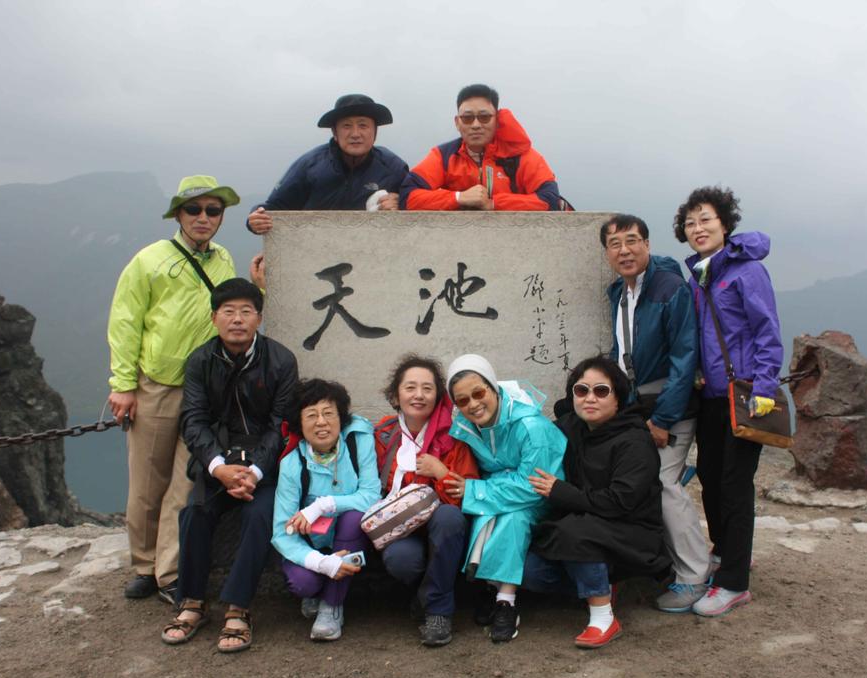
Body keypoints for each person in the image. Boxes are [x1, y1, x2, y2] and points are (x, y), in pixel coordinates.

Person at [108, 175, 261, 604]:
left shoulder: (222, 259)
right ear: (178, 214)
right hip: (158, 385)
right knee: (146, 482)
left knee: (184, 484)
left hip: (208, 390)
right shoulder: (150, 260)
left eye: (213, 211)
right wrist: (123, 385)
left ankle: (168, 571)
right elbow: (125, 322)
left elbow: (230, 309)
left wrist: (256, 284)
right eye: (194, 210)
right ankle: (142, 565)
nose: (203, 218)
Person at [159, 278, 298, 652]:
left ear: (260, 318)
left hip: (264, 465)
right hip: (216, 462)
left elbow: (280, 426)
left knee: (260, 516)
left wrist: (253, 472)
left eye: (246, 312)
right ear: (214, 317)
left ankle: (238, 609)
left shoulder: (281, 360)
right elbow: (193, 421)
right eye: (228, 312)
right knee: (196, 511)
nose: (237, 320)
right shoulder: (201, 361)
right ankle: (191, 603)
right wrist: (218, 467)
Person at [673, 186, 783, 617]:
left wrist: (764, 389)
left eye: (706, 219)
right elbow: (703, 334)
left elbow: (766, 331)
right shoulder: (701, 274)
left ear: (725, 223)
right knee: (714, 480)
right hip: (712, 396)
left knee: (735, 486)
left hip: (746, 395)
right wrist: (700, 369)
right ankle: (728, 551)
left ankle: (735, 582)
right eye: (690, 222)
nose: (698, 228)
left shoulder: (746, 271)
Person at [601, 214, 711, 612]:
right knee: (644, 483)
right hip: (636, 405)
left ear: (647, 244)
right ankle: (677, 560)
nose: (624, 250)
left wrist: (663, 419)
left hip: (668, 405)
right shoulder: (620, 292)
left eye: (632, 241)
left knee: (664, 484)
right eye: (615, 244)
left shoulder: (669, 289)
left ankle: (694, 574)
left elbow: (685, 358)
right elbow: (620, 353)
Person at [526, 356, 669, 648]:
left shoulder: (634, 441)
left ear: (618, 397)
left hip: (631, 532)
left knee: (573, 532)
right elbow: (531, 432)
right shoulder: (572, 428)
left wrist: (562, 492)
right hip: (588, 526)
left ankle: (603, 617)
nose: (590, 398)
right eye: (581, 390)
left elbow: (621, 502)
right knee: (528, 570)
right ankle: (602, 584)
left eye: (601, 391)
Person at [443, 354, 566, 643]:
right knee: (489, 509)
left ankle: (505, 601)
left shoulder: (530, 426)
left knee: (511, 514)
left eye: (478, 393)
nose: (473, 405)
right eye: (462, 401)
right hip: (502, 495)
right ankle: (495, 588)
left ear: (494, 388)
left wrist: (477, 490)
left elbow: (533, 486)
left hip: (541, 501)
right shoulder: (466, 427)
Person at [372, 354, 480, 647]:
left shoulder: (455, 437)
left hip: (445, 529)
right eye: (410, 388)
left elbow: (466, 497)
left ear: (438, 396)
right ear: (396, 395)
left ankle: (438, 612)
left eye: (427, 388)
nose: (418, 395)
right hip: (401, 527)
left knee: (448, 517)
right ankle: (424, 593)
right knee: (400, 559)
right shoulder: (383, 434)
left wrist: (442, 473)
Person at [272, 379, 380, 641]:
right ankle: (318, 590)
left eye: (328, 413)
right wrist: (322, 563)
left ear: (341, 418)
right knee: (303, 583)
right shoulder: (292, 463)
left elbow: (371, 496)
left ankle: (331, 606)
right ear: (300, 423)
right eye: (311, 415)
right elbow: (282, 531)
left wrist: (322, 505)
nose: (321, 422)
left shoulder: (358, 440)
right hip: (313, 543)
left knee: (353, 517)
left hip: (349, 538)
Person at [246, 94, 408, 233]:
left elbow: (417, 202)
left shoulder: (392, 166)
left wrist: (400, 202)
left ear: (375, 131)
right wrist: (255, 219)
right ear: (334, 132)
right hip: (316, 255)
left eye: (363, 125)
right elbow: (274, 207)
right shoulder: (310, 166)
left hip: (374, 255)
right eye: (346, 126)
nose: (355, 134)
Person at [399, 84, 565, 211]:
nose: (476, 125)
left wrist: (494, 203)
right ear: (457, 122)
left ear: (497, 119)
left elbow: (550, 200)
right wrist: (458, 197)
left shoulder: (521, 155)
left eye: (485, 117)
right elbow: (407, 196)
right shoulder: (443, 156)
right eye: (467, 118)